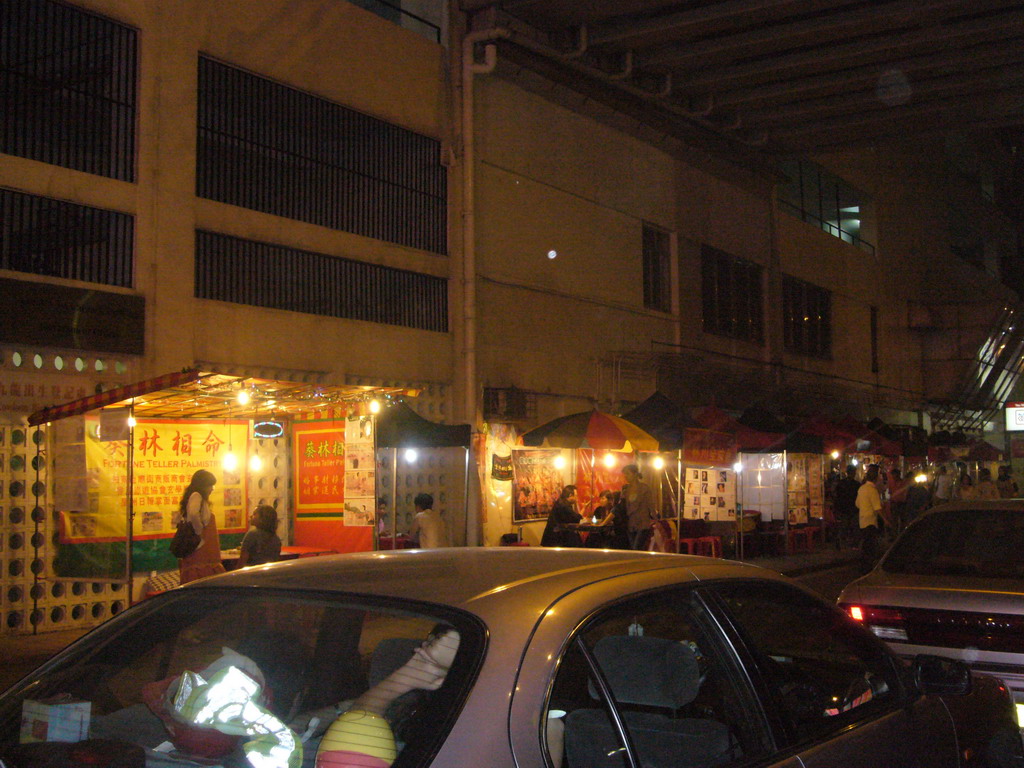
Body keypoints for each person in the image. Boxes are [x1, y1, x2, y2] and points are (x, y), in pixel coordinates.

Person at [173, 469, 226, 585]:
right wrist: (199, 531)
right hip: (202, 549)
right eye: (210, 485)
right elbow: (193, 514)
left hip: (204, 547)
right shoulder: (196, 496)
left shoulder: (196, 497)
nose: (212, 489)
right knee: (202, 576)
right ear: (203, 485)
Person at [857, 464, 884, 574]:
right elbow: (878, 508)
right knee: (870, 547)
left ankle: (864, 567)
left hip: (862, 520)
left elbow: (857, 504)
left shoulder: (862, 488)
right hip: (871, 522)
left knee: (866, 546)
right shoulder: (872, 490)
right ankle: (867, 569)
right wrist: (887, 521)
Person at [621, 464, 655, 550]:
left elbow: (651, 505)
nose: (626, 476)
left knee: (637, 547)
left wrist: (655, 520)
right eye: (625, 474)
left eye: (628, 474)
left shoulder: (644, 488)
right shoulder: (626, 490)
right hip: (631, 524)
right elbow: (623, 506)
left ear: (635, 474)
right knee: (633, 548)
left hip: (642, 523)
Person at [833, 465, 861, 548]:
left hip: (845, 508)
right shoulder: (856, 485)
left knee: (845, 526)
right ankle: (853, 544)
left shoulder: (841, 483)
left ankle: (841, 541)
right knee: (853, 526)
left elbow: (837, 496)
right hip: (852, 508)